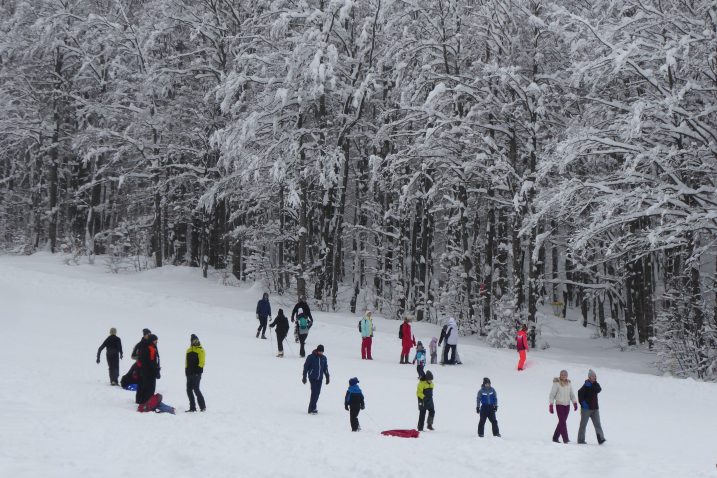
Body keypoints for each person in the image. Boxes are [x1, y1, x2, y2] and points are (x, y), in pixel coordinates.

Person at [577, 369, 606, 445]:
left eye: (595, 376)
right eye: (592, 376)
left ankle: (601, 439)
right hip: (586, 409)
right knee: (583, 425)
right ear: (589, 377)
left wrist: (591, 385)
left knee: (598, 424)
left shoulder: (596, 384)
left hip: (595, 409)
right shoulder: (585, 385)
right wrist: (583, 403)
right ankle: (580, 440)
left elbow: (598, 390)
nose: (594, 377)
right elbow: (579, 393)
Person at [549, 369, 578, 443]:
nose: (563, 376)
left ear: (567, 376)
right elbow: (552, 395)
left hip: (567, 405)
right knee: (562, 422)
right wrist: (551, 405)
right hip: (559, 405)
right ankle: (566, 439)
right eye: (562, 375)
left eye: (565, 375)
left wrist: (574, 402)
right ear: (560, 375)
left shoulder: (569, 383)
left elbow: (571, 394)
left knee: (562, 421)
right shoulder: (556, 383)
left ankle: (555, 437)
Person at [302, 344, 329, 414]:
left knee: (317, 393)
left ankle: (313, 407)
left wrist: (327, 377)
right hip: (312, 377)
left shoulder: (324, 358)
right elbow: (305, 367)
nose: (321, 353)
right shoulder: (311, 357)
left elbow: (325, 368)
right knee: (314, 392)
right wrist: (304, 377)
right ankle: (311, 408)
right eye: (320, 351)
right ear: (317, 350)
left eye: (322, 352)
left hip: (320, 378)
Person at [136, 334, 160, 405]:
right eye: (155, 340)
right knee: (150, 388)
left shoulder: (144, 347)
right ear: (152, 340)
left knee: (145, 387)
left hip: (144, 371)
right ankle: (147, 404)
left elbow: (140, 360)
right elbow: (152, 362)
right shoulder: (151, 348)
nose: (156, 342)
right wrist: (156, 371)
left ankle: (142, 402)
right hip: (150, 372)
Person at [185, 334, 206, 412]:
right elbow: (186, 362)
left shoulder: (201, 350)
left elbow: (202, 362)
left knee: (196, 389)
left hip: (196, 374)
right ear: (191, 342)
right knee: (189, 390)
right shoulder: (189, 350)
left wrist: (198, 371)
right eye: (194, 341)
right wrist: (186, 371)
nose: (196, 342)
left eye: (197, 340)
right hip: (189, 373)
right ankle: (192, 407)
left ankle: (203, 407)